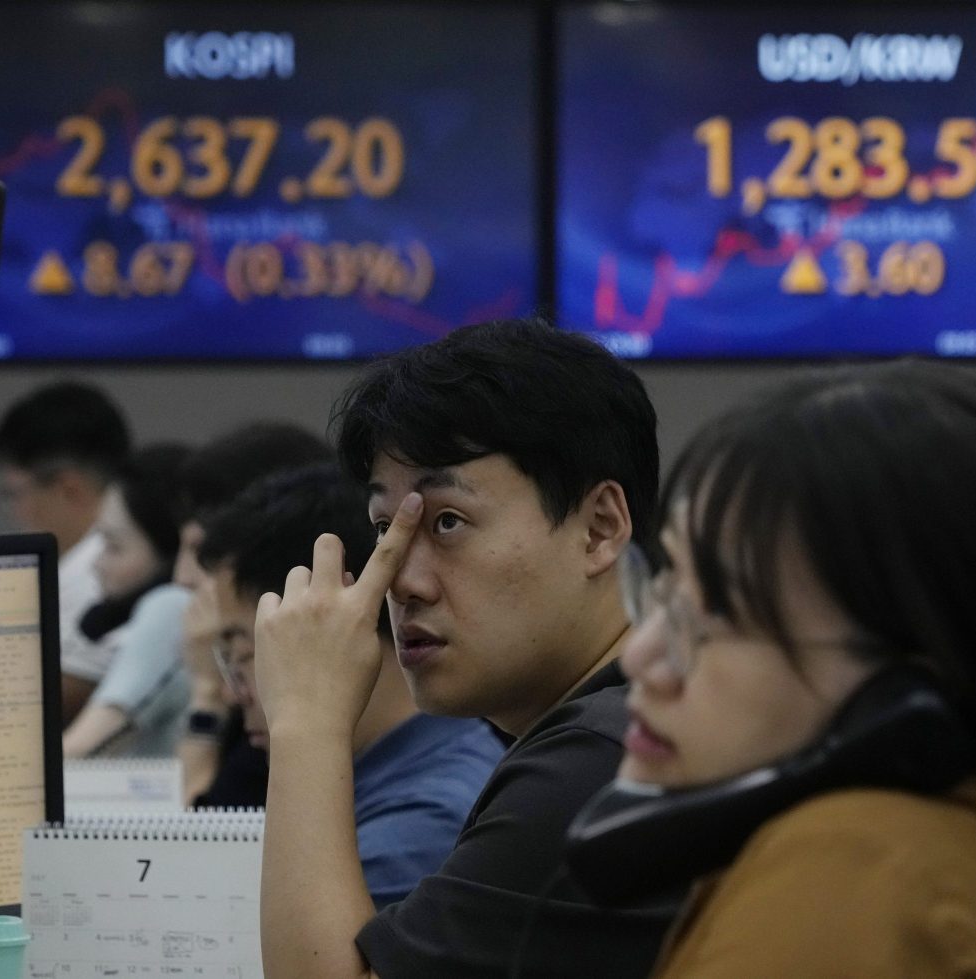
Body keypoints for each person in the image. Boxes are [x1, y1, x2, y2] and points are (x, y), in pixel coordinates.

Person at [588, 361, 976, 977]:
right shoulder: (972, 850)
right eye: (666, 586)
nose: (641, 658)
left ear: (906, 695)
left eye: (717, 613)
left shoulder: (850, 880)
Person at [250, 318, 675, 979]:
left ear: (599, 528)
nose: (401, 583)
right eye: (386, 529)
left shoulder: (603, 760)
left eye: (448, 522)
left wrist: (306, 720)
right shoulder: (614, 728)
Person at [198, 462, 504, 906]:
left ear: (337, 623)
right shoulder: (400, 772)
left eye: (244, 654)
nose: (232, 692)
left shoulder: (423, 818)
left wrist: (303, 727)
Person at [171, 423, 334, 804]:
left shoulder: (289, 705)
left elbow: (203, 828)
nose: (181, 577)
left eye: (200, 552)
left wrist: (207, 692)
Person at [0, 380, 131, 723]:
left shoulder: (98, 574)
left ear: (69, 489)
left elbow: (33, 708)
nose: (15, 511)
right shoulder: (81, 566)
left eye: (15, 494)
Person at [62, 443, 192, 758]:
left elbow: (77, 751)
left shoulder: (171, 607)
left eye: (114, 546)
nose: (96, 564)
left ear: (171, 558)